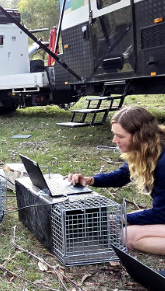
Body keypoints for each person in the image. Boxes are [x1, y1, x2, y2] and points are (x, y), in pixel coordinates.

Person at [68, 106, 165, 255]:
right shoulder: (147, 149)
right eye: (114, 135)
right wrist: (90, 180)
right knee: (124, 221)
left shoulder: (163, 161)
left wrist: (121, 219)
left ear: (140, 136)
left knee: (128, 235)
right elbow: (121, 176)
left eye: (120, 136)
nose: (115, 140)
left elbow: (161, 213)